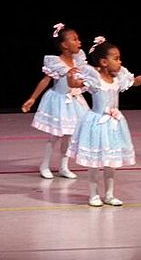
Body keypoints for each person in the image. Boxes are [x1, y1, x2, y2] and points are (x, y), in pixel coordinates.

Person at [66, 36, 141, 207]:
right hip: (97, 123)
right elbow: (75, 83)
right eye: (116, 58)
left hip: (114, 124)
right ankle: (93, 194)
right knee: (95, 163)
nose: (120, 61)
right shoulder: (94, 78)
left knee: (111, 162)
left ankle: (110, 194)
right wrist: (69, 77)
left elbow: (135, 82)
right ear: (104, 62)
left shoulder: (119, 77)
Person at [21, 23, 89, 179]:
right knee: (55, 136)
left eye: (78, 39)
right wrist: (32, 98)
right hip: (59, 101)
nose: (79, 42)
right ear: (64, 45)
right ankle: (44, 165)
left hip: (75, 101)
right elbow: (46, 80)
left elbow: (85, 78)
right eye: (75, 39)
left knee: (70, 136)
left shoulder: (79, 60)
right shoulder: (55, 62)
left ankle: (64, 167)